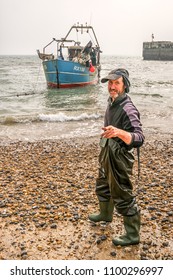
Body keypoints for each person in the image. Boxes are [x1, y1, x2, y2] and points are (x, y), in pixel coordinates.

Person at [89, 68, 145, 246]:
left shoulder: (128, 108)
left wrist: (118, 132)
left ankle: (132, 235)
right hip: (106, 150)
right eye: (110, 83)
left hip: (120, 157)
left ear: (125, 85)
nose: (112, 87)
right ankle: (105, 214)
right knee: (103, 184)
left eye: (116, 83)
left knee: (122, 193)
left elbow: (139, 137)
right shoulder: (112, 101)